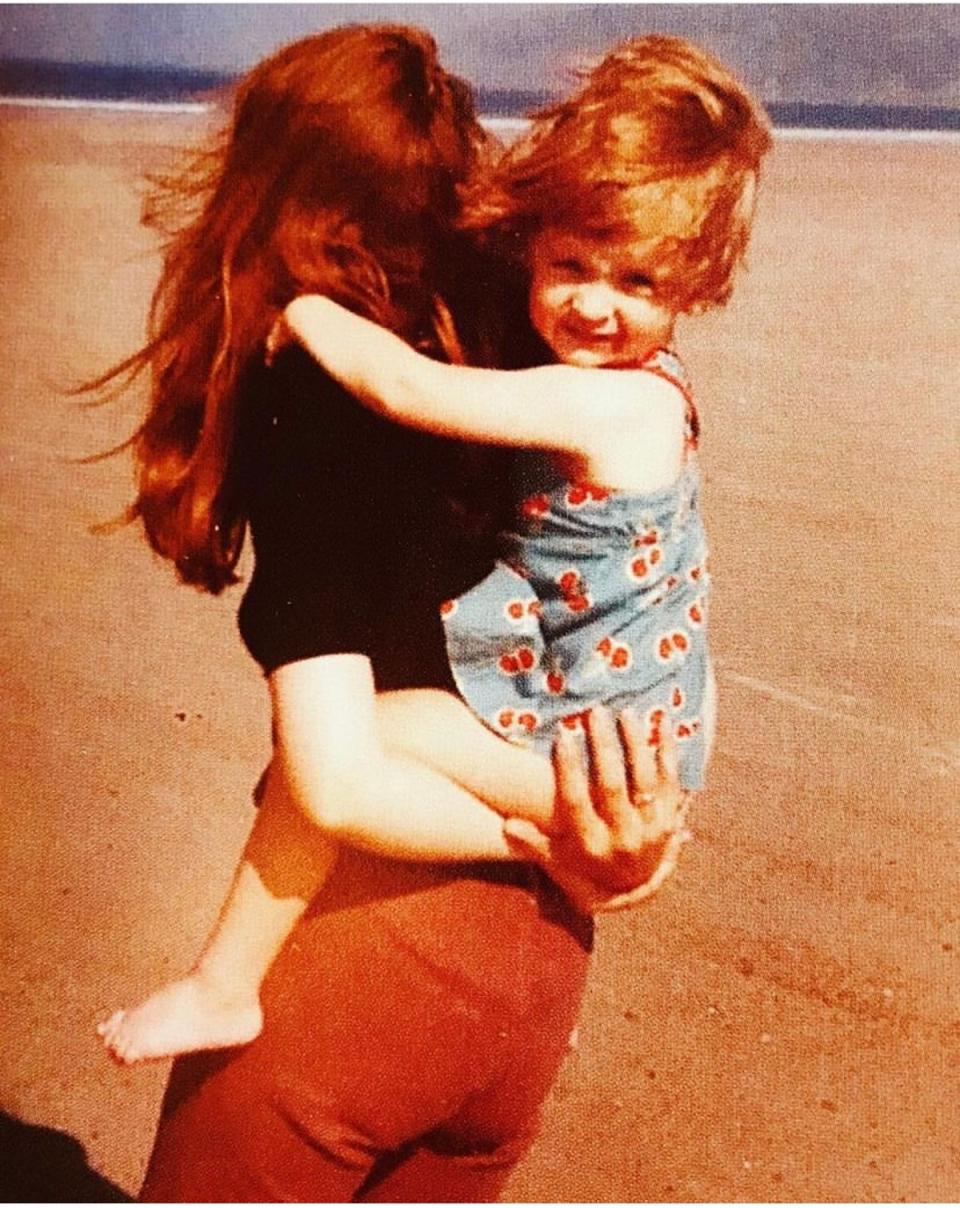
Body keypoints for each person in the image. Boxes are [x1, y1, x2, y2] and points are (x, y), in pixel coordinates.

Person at [89, 25, 690, 1200]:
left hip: (369, 939)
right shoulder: (524, 359)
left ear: (265, 189)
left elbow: (338, 779)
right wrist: (619, 848)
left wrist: (555, 837)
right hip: (540, 981)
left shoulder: (315, 396)